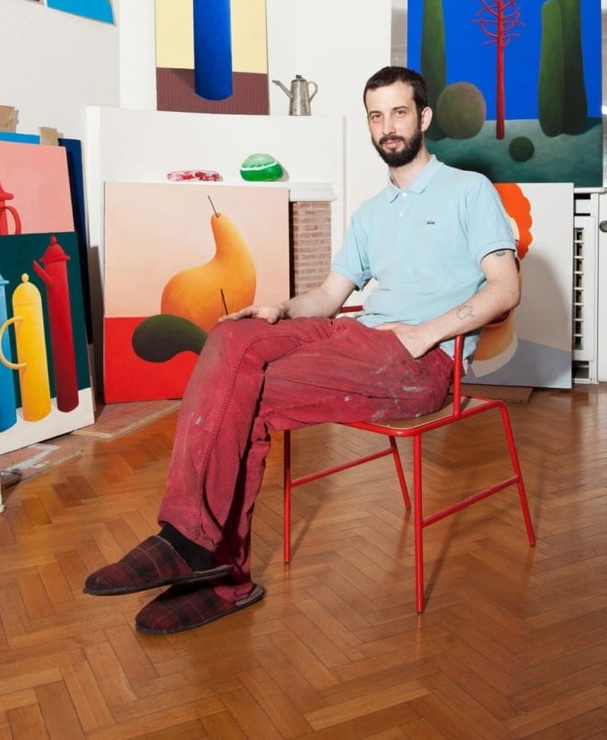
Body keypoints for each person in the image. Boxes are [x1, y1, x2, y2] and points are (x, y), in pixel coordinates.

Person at [84, 65, 520, 634]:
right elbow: (330, 297)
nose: (387, 127)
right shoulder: (370, 213)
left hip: (422, 362)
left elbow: (505, 288)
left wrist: (424, 334)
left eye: (398, 112)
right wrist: (280, 308)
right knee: (231, 337)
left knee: (245, 393)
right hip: (359, 336)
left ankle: (212, 566)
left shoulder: (468, 190)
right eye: (376, 116)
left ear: (424, 117)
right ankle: (197, 548)